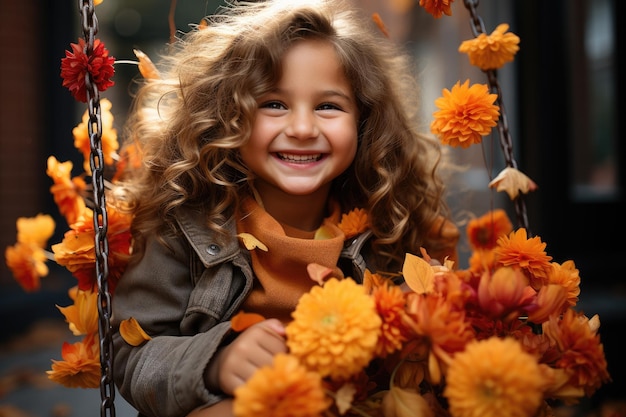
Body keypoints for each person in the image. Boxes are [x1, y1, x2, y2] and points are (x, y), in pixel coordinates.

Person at [111, 0, 460, 416]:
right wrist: (214, 363)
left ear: (364, 121)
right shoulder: (185, 225)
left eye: (328, 106)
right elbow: (131, 354)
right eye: (273, 103)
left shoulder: (388, 226)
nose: (301, 128)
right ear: (228, 114)